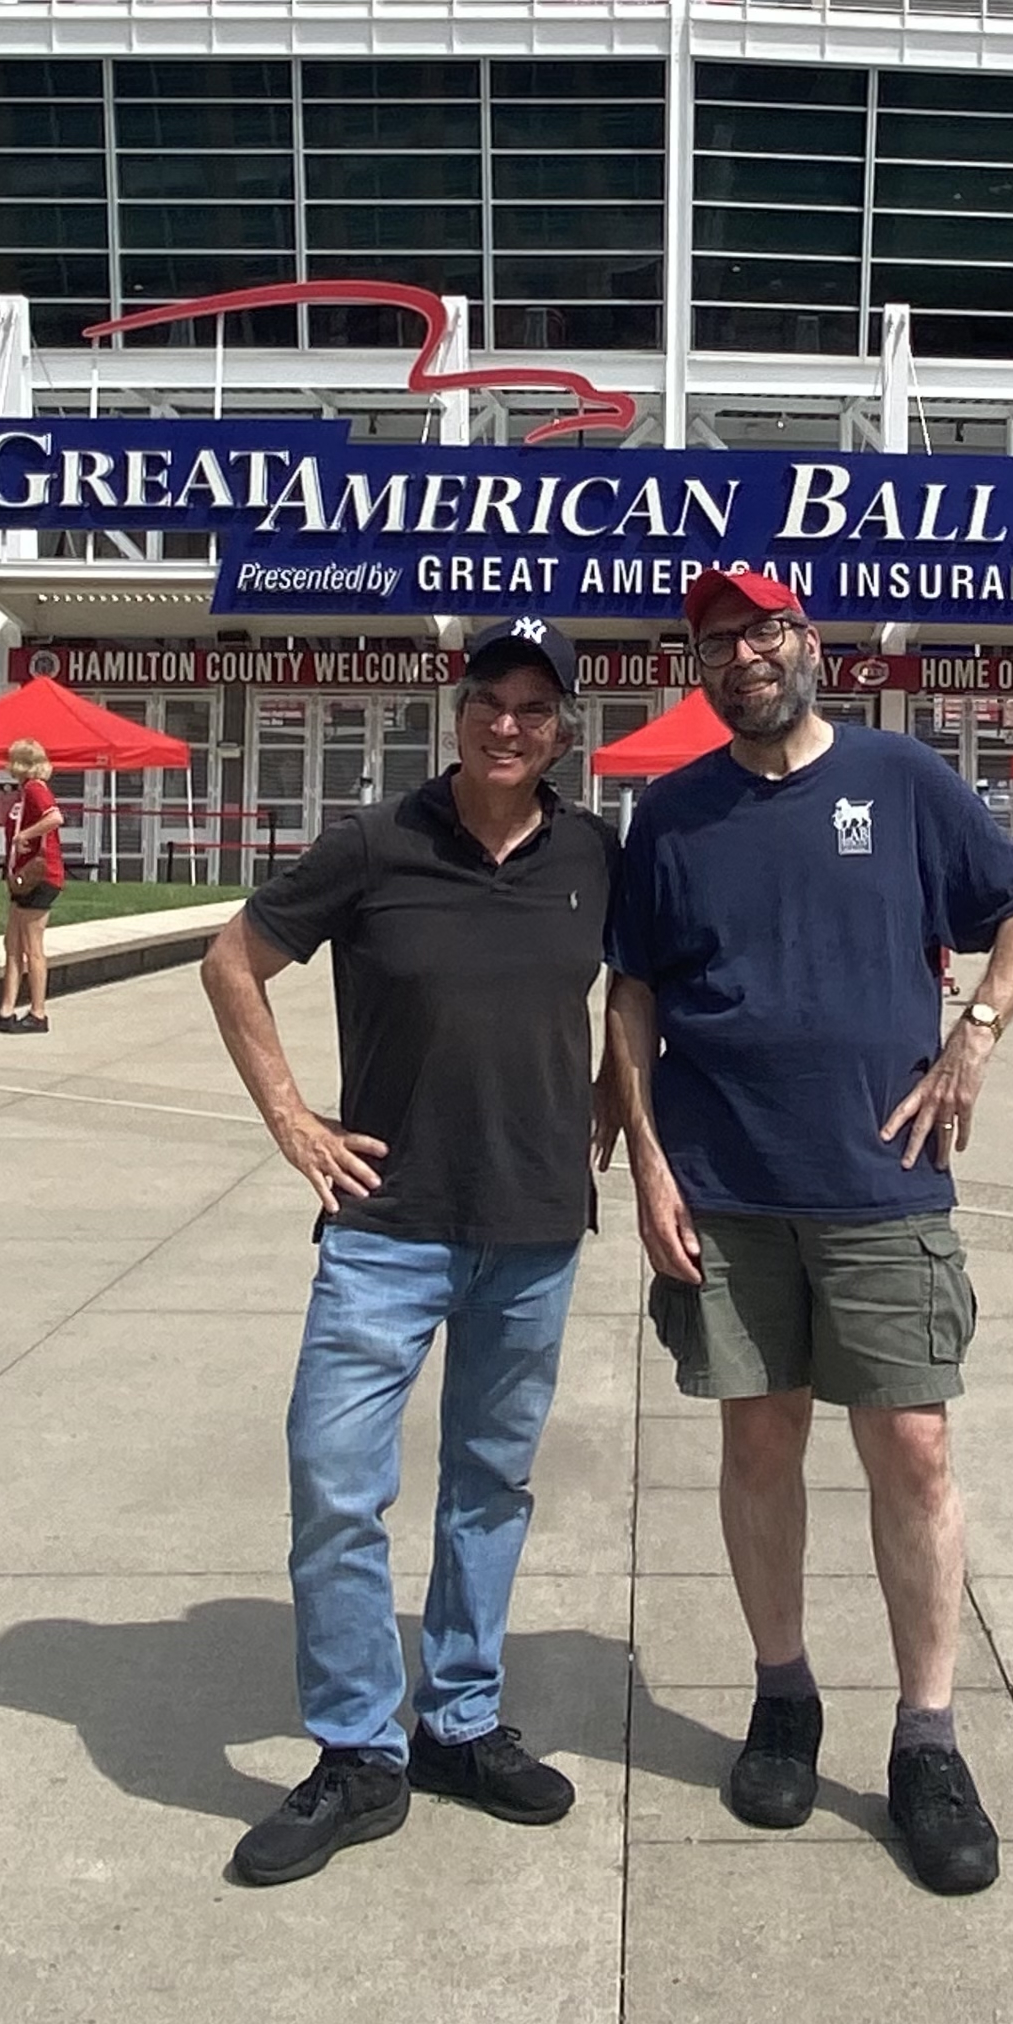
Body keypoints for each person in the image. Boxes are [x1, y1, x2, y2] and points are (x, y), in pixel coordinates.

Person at [602, 568, 1013, 1898]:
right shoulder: (672, 815)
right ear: (694, 668)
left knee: (912, 1444)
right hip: (724, 1183)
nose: (742, 654)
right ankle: (783, 1692)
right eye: (715, 641)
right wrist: (645, 1159)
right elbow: (631, 992)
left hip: (883, 1177)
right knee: (759, 1436)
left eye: (762, 630)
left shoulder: (899, 777)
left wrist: (974, 1033)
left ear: (808, 641)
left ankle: (926, 1734)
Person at [196, 617, 616, 1888]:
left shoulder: (596, 854)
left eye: (536, 709)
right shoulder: (373, 846)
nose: (509, 723)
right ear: (458, 708)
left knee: (490, 1487)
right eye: (490, 698)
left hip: (533, 1231)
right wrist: (293, 1122)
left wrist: (609, 1110)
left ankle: (462, 1721)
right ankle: (356, 1750)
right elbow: (231, 962)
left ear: (562, 733)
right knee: (335, 1486)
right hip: (385, 1233)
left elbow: (652, 990)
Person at [0, 737, 63, 1035]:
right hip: (22, 878)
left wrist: (23, 835)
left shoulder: (35, 789)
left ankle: (38, 1013)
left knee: (32, 947)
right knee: (12, 945)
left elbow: (54, 817)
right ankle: (6, 1009)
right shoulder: (24, 792)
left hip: (40, 876)